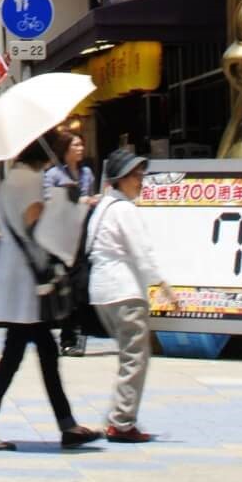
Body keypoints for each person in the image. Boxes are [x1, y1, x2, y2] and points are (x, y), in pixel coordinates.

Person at [0, 137, 100, 453]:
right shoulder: (29, 179)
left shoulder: (12, 177)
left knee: (39, 352)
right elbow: (34, 221)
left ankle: (66, 425)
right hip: (26, 280)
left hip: (18, 277)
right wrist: (67, 206)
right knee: (22, 355)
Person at [87, 147, 175, 444]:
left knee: (129, 356)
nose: (141, 181)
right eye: (135, 175)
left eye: (141, 174)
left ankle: (120, 417)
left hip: (101, 291)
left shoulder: (103, 207)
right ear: (121, 178)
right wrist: (162, 284)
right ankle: (122, 422)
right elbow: (141, 252)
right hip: (123, 291)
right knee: (135, 358)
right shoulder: (124, 209)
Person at [43, 132, 97, 355]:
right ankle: (67, 337)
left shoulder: (87, 174)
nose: (80, 148)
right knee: (65, 289)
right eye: (76, 144)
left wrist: (92, 201)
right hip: (61, 237)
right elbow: (49, 203)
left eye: (82, 144)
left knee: (81, 287)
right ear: (65, 148)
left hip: (82, 236)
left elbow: (90, 198)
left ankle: (79, 334)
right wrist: (75, 199)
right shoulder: (53, 175)